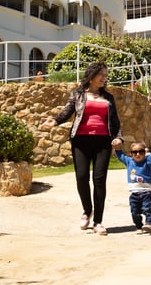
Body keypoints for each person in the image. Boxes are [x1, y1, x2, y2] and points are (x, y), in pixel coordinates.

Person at [42, 62, 123, 235]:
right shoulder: (78, 95)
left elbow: (115, 121)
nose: (104, 77)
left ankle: (98, 222)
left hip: (103, 141)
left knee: (99, 180)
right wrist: (55, 121)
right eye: (101, 74)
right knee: (81, 177)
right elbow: (67, 111)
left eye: (105, 74)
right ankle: (87, 210)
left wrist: (118, 138)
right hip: (81, 141)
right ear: (91, 75)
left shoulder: (108, 98)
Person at [115, 141, 151, 234]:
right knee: (134, 211)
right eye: (135, 152)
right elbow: (121, 156)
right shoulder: (129, 161)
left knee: (146, 208)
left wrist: (148, 153)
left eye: (141, 152)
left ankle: (149, 224)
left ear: (144, 153)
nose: (138, 154)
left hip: (146, 191)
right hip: (134, 193)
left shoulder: (147, 162)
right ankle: (139, 226)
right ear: (131, 154)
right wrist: (117, 148)